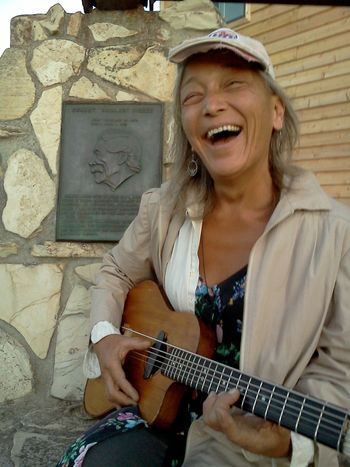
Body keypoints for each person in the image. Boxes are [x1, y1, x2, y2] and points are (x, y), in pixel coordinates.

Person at [57, 28, 350, 467]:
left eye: (233, 84)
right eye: (193, 96)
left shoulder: (335, 235)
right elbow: (116, 270)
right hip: (149, 412)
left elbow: (340, 372)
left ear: (275, 111)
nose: (212, 105)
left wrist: (290, 443)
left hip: (247, 450)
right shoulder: (162, 209)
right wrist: (103, 336)